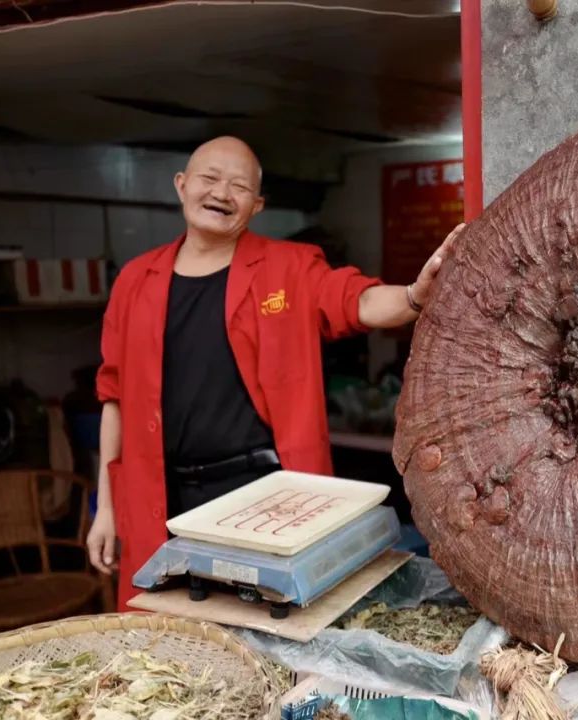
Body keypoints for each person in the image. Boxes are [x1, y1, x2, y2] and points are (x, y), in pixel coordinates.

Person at [86, 136, 464, 609]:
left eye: (239, 185)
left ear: (257, 204)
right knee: (168, 638)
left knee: (266, 638)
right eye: (209, 178)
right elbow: (113, 397)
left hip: (266, 501)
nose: (221, 192)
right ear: (181, 186)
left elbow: (358, 301)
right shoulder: (134, 281)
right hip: (161, 498)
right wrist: (106, 509)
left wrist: (414, 294)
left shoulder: (289, 268)